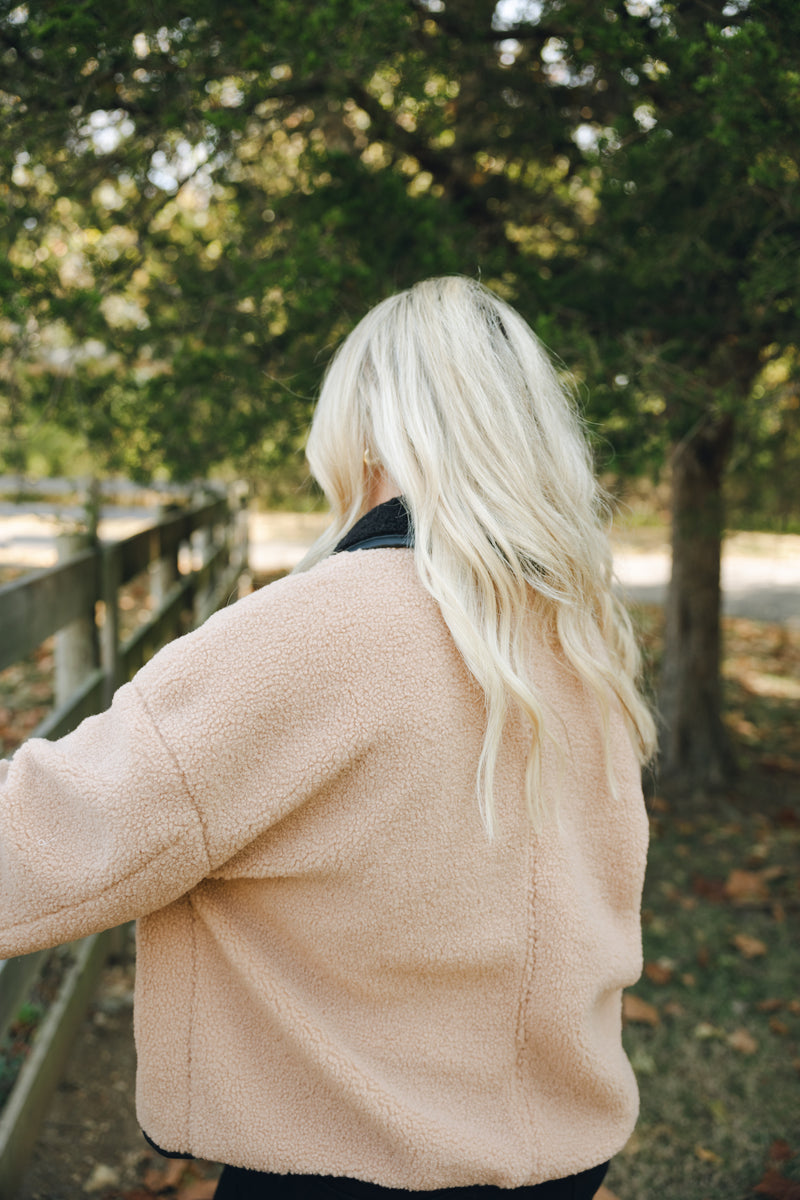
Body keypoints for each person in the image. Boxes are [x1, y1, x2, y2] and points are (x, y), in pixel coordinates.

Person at [0, 276, 656, 1200]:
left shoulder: (311, 633)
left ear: (360, 430)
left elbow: (48, 838)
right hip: (562, 1158)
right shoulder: (576, 640)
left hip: (354, 1161)